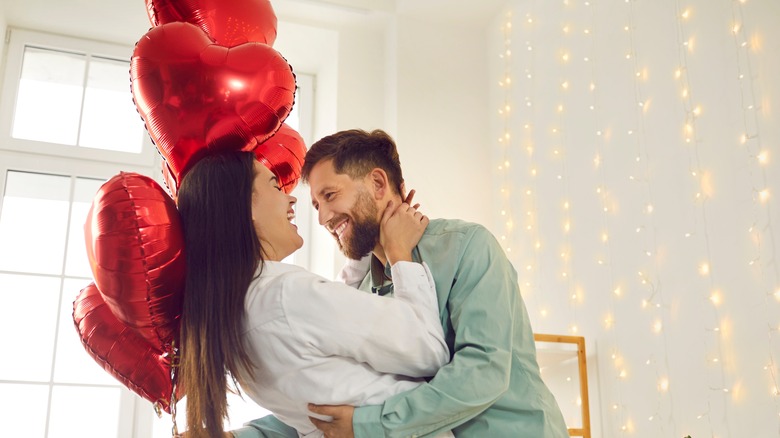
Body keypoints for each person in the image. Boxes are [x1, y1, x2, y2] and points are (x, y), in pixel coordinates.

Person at [232, 129, 569, 437]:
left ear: (378, 184)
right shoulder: (359, 291)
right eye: (317, 206)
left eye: (330, 196)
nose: (322, 219)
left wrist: (369, 424)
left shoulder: (467, 246)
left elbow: (484, 372)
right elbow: (326, 395)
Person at [175, 150, 454, 437]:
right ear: (245, 209)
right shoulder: (287, 295)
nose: (290, 198)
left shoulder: (235, 317)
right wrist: (398, 253)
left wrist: (363, 242)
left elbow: (325, 346)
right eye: (274, 186)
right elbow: (429, 350)